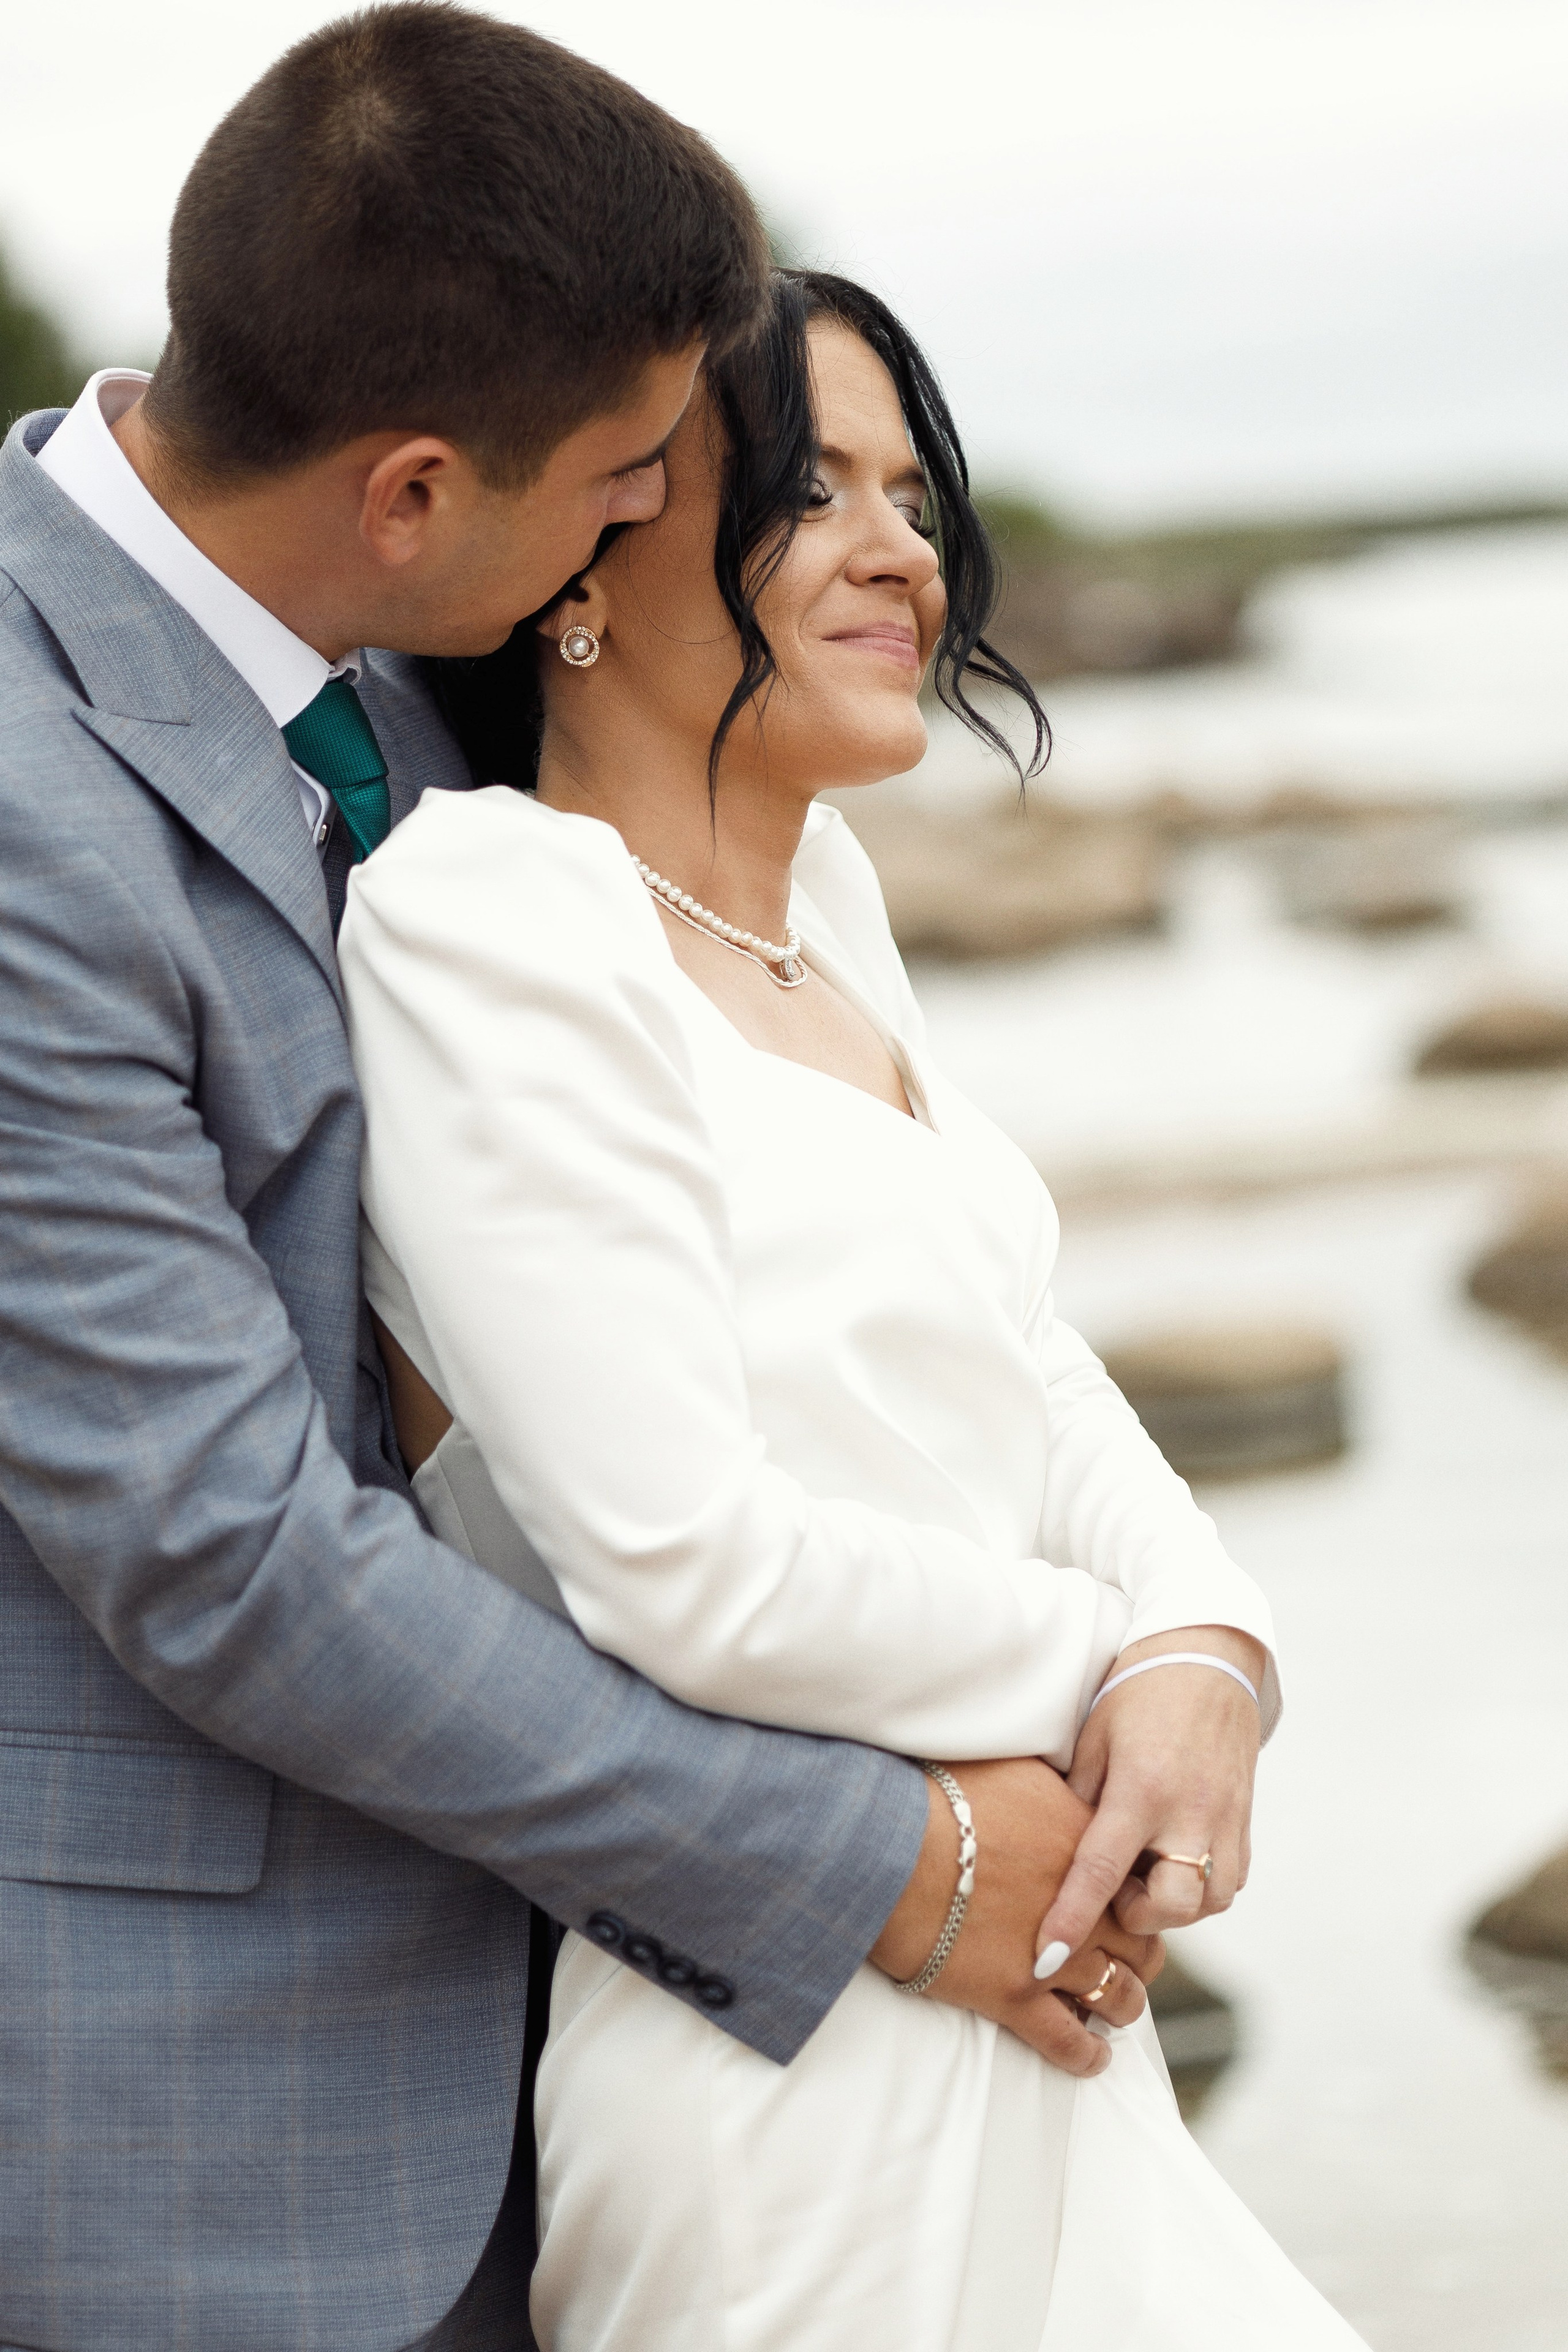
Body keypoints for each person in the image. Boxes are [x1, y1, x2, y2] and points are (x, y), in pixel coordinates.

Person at [0, 12, 1248, 2350]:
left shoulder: (403, 673)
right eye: (620, 474)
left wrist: (1196, 1635)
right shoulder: (29, 807)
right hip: (202, 2116)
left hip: (581, 2002)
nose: (643, 513)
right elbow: (223, 1544)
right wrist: (907, 1837)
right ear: (412, 490)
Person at [339, 271, 1366, 2349]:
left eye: (914, 491)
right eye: (812, 492)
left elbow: (1025, 1353)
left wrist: (1207, 1638)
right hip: (788, 2076)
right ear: (581, 563)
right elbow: (679, 1563)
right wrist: (1104, 1666)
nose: (903, 548)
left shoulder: (825, 907)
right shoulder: (485, 917)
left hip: (1038, 2010)